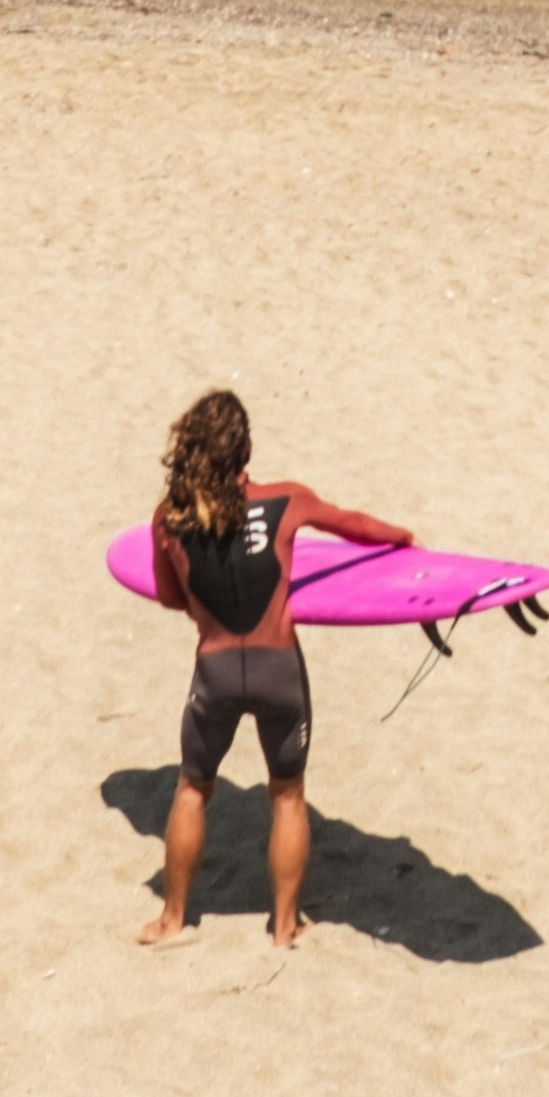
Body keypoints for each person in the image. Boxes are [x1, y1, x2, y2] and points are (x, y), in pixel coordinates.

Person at [139, 388, 408, 952]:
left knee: (192, 787)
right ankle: (284, 926)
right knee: (286, 794)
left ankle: (173, 920)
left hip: (213, 674)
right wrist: (404, 540)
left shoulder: (168, 519)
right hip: (277, 672)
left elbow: (169, 597)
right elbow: (354, 524)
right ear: (245, 448)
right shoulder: (287, 500)